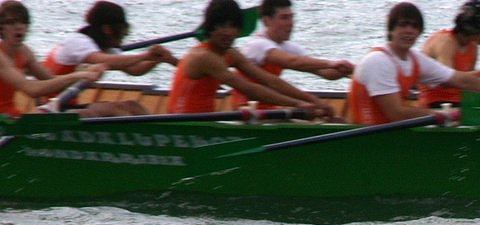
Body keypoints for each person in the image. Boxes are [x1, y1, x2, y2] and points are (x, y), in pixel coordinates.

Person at [347, 2, 480, 125]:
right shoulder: (378, 61)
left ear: (419, 32)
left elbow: (462, 81)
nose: (409, 31)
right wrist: (445, 115)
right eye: (403, 25)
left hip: (396, 136)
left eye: (414, 27)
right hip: (369, 140)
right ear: (391, 30)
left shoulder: (414, 60)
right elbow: (396, 113)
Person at [166, 0, 332, 115]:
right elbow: (248, 88)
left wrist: (314, 100)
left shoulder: (231, 54)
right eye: (222, 26)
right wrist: (298, 104)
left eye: (233, 26)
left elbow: (270, 81)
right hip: (184, 123)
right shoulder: (204, 56)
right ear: (210, 28)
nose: (228, 32)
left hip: (206, 120)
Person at [228, 0, 354, 110]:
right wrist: (331, 63)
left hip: (271, 110)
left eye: (291, 17)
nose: (291, 23)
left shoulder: (287, 46)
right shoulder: (256, 45)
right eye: (284, 18)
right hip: (246, 111)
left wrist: (353, 71)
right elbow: (291, 61)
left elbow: (326, 72)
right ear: (267, 21)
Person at [1, 1, 106, 117]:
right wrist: (78, 76)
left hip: (10, 116)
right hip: (5, 121)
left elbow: (50, 80)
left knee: (94, 112)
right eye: (11, 23)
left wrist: (84, 73)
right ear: (1, 28)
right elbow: (31, 89)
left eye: (23, 22)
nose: (18, 27)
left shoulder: (24, 52)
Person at [42, 2, 176, 79]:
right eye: (123, 28)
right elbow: (103, 60)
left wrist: (157, 60)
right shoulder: (78, 41)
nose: (126, 33)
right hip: (48, 106)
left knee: (133, 106)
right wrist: (145, 55)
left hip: (66, 104)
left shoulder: (106, 47)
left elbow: (134, 69)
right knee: (116, 110)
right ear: (107, 29)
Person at [417, 0, 480, 108]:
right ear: (476, 31)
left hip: (459, 105)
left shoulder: (473, 46)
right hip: (435, 105)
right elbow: (448, 81)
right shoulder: (445, 43)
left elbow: (469, 86)